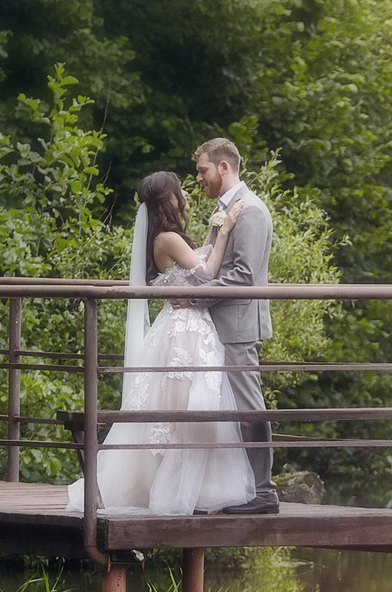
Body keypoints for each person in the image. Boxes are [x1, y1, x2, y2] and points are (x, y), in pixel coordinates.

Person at [63, 171, 255, 515]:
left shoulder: (166, 237)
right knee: (183, 411)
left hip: (184, 325)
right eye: (179, 190)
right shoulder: (167, 238)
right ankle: (173, 488)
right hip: (184, 331)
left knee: (185, 410)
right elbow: (208, 273)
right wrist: (225, 231)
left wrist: (214, 232)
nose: (185, 193)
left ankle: (190, 486)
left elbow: (195, 265)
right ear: (169, 198)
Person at [192, 138, 279, 514]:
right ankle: (236, 489)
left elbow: (244, 277)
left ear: (224, 167)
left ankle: (264, 493)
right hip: (221, 323)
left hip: (240, 325)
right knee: (225, 411)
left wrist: (195, 297)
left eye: (203, 170)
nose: (199, 178)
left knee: (248, 409)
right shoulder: (224, 211)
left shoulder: (252, 212)